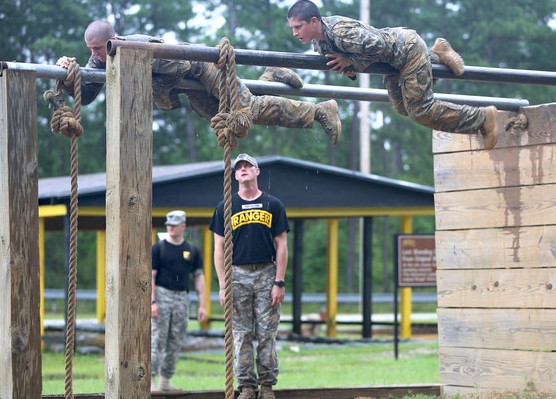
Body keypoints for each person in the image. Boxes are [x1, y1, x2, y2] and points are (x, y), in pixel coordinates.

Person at [56, 20, 341, 145]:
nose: (95, 55)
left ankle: (319, 111)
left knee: (245, 111)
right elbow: (89, 94)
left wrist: (150, 81)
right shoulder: (101, 59)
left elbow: (182, 65)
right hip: (188, 87)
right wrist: (70, 76)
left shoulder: (140, 48)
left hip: (203, 69)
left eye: (98, 48)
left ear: (114, 40)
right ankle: (269, 77)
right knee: (224, 116)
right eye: (90, 50)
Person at [287, 0, 498, 150]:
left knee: (420, 110)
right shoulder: (319, 43)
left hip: (407, 50)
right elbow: (354, 59)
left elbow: (380, 47)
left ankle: (482, 118)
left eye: (299, 27)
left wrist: (352, 61)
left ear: (314, 21)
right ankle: (436, 54)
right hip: (392, 64)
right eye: (292, 28)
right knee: (402, 108)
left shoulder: (341, 32)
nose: (295, 33)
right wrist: (349, 68)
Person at [209, 153, 289, 399]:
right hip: (238, 274)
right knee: (241, 334)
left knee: (267, 332)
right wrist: (223, 285)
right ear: (234, 175)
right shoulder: (225, 206)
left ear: (257, 172)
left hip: (266, 272)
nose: (243, 169)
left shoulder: (273, 204)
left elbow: (282, 245)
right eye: (239, 167)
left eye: (248, 166)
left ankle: (267, 386)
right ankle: (246, 386)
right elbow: (219, 249)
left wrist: (279, 281)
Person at [150, 210, 207, 392]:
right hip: (161, 294)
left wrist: (202, 304)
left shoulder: (191, 250)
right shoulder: (159, 248)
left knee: (175, 339)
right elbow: (150, 276)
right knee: (157, 338)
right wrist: (152, 302)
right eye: (168, 225)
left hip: (182, 297)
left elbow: (199, 277)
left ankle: (165, 381)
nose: (170, 228)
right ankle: (149, 380)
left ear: (183, 226)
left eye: (174, 225)